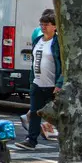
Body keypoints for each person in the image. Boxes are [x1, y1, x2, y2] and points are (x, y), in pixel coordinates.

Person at [27, 10, 61, 148]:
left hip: (52, 84)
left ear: (55, 26)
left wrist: (59, 83)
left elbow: (62, 64)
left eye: (46, 24)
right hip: (37, 83)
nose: (43, 27)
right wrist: (31, 80)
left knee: (58, 114)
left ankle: (63, 140)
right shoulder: (37, 40)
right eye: (41, 24)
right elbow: (34, 61)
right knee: (34, 112)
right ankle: (31, 140)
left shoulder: (57, 42)